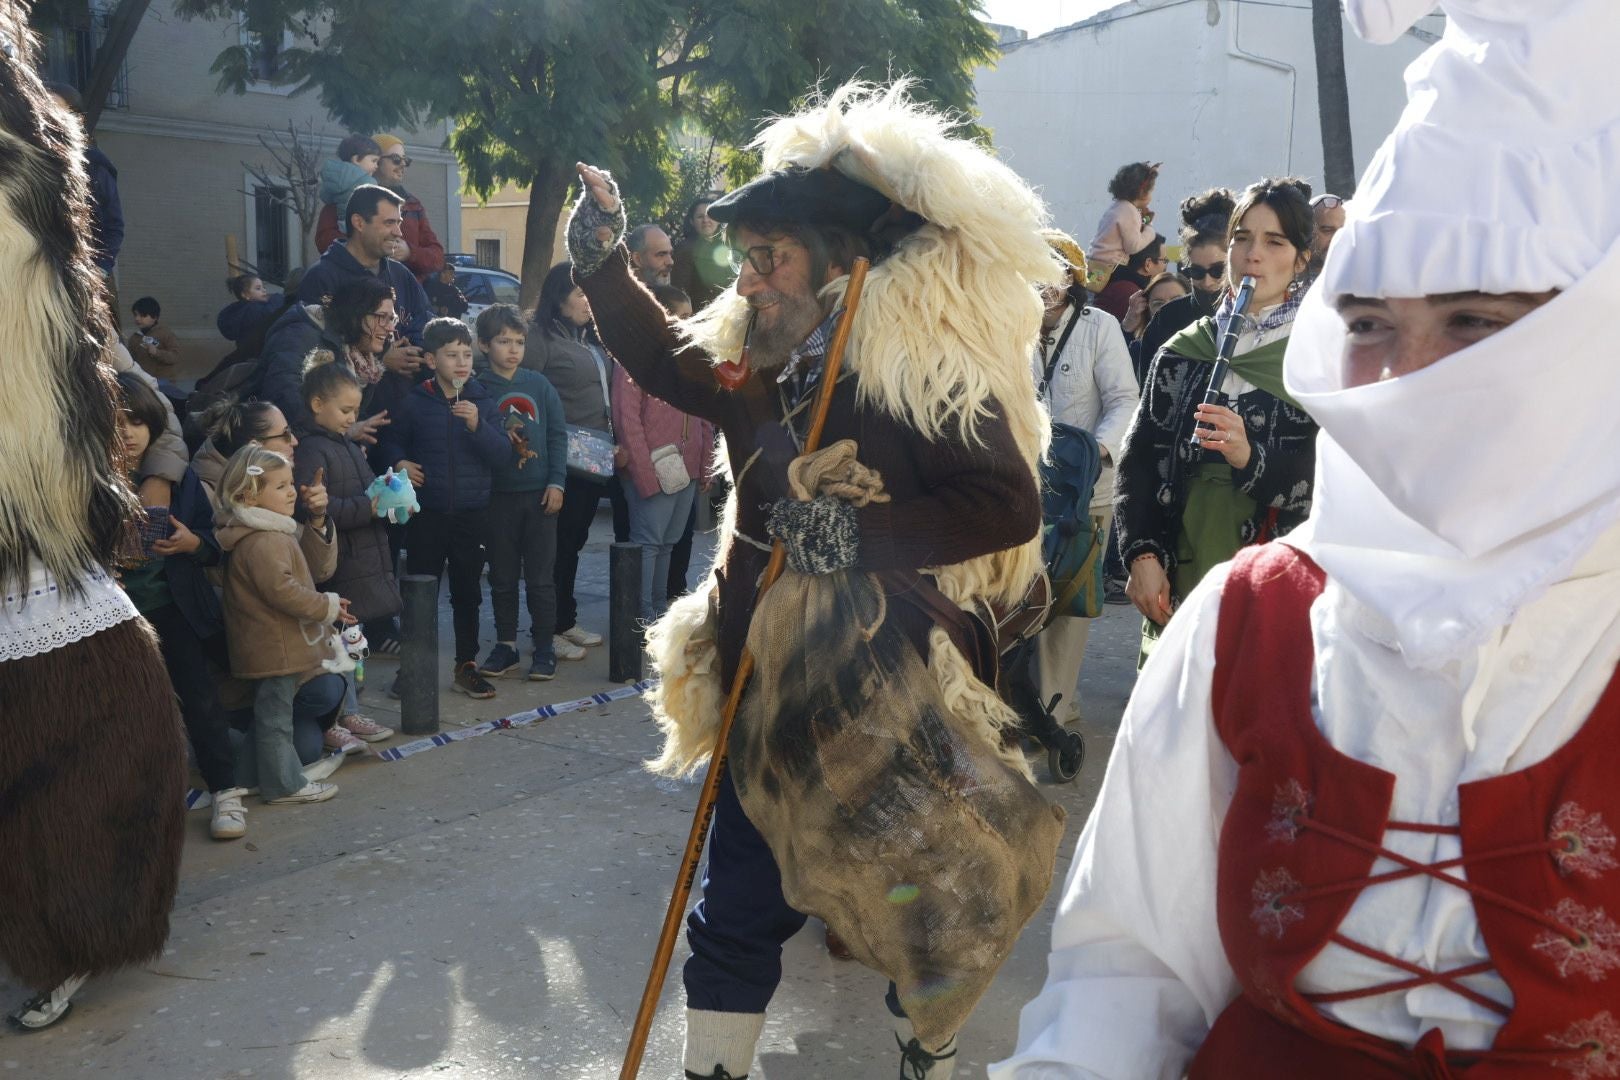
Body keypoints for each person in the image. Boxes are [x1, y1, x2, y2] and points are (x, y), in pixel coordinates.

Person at [994, 2, 1620, 1075]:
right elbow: (1127, 975)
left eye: (1474, 324)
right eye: (1370, 324)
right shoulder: (1251, 620)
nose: (1406, 384)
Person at [571, 78, 1054, 1078]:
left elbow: (1006, 504)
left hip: (896, 693)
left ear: (842, 264)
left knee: (920, 915)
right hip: (765, 684)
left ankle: (931, 1057)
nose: (747, 284)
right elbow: (664, 359)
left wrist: (856, 534)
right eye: (744, 262)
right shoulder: (752, 359)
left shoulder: (924, 374)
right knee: (737, 905)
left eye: (768, 261)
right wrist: (602, 259)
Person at [4, 53, 181, 1033]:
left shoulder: (65, 314)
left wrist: (137, 487)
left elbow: (143, 406)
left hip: (55, 584)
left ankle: (68, 947)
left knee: (77, 781)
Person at [1115, 177, 1320, 663]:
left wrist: (1252, 458)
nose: (1253, 255)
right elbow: (1141, 458)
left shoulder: (1323, 355)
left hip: (1280, 584)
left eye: (1275, 242)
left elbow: (1345, 479)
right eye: (1242, 238)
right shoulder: (1185, 349)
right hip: (1185, 569)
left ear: (1301, 259)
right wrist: (1141, 554)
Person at [114, 373, 247, 841]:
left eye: (137, 421)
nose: (128, 432)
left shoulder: (179, 478)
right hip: (117, 620)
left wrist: (194, 543)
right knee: (133, 713)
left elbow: (215, 545)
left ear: (153, 424)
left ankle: (225, 792)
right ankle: (144, 803)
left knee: (200, 700)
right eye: (117, 422)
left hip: (175, 607)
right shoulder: (91, 482)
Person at [1030, 231, 1139, 725]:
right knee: (1023, 595)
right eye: (1034, 273)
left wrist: (1098, 449)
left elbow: (1123, 399)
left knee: (1069, 601)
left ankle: (1051, 710)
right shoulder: (1010, 327)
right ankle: (1031, 699)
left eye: (1055, 275)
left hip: (1085, 490)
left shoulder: (1101, 327)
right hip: (1024, 489)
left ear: (1073, 280)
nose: (1044, 286)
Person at [377, 318, 509, 699]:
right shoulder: (414, 402)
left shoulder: (482, 400)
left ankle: (465, 665)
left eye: (467, 354)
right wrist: (399, 462)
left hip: (472, 514)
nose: (462, 362)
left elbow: (501, 454)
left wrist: (477, 426)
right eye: (452, 355)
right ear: (432, 361)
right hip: (427, 515)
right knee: (421, 592)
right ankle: (413, 670)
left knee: (468, 592)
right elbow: (390, 444)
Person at [214, 442, 347, 804]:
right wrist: (327, 606)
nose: (292, 492)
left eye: (291, 483)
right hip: (276, 648)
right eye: (281, 486)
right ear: (248, 495)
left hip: (271, 646)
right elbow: (283, 590)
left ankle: (251, 777)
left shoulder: (264, 534)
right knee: (275, 719)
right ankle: (284, 785)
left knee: (271, 715)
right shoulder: (265, 540)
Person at [292, 354, 398, 746]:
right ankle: (343, 715)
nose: (351, 417)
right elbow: (312, 507)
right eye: (345, 409)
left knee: (352, 639)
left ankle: (351, 707)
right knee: (338, 640)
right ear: (317, 404)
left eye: (355, 410)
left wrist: (388, 493)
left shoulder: (344, 444)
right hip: (336, 562)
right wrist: (365, 508)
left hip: (360, 556)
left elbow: (366, 488)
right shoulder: (311, 450)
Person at [522, 261, 617, 660]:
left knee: (574, 542)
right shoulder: (541, 337)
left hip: (594, 458)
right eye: (581, 294)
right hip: (559, 460)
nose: (588, 302)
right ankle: (548, 629)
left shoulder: (588, 338)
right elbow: (525, 396)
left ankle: (566, 619)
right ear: (559, 298)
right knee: (553, 547)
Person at [474, 303, 567, 680]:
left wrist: (556, 481)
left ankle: (544, 647)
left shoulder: (538, 385)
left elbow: (558, 435)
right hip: (498, 497)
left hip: (540, 496)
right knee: (502, 576)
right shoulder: (478, 387)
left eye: (519, 341)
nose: (512, 349)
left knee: (542, 579)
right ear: (483, 344)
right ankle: (506, 645)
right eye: (502, 341)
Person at [613, 283, 715, 624]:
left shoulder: (688, 358)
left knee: (668, 543)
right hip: (653, 468)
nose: (688, 323)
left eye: (690, 316)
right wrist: (644, 474)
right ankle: (642, 615)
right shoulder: (634, 359)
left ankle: (657, 612)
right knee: (648, 544)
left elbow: (703, 415)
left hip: (686, 469)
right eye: (680, 316)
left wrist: (705, 465)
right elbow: (627, 421)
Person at [259, 276, 408, 440]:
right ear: (355, 314)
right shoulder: (301, 336)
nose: (391, 328)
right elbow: (284, 397)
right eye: (382, 317)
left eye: (392, 318)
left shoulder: (362, 357)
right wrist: (343, 434)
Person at [295, 184, 435, 352]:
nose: (399, 232)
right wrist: (383, 359)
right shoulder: (321, 277)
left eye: (399, 223)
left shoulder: (401, 274)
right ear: (359, 223)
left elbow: (428, 324)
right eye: (389, 223)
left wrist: (416, 351)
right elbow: (316, 348)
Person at [1135, 187, 1239, 384]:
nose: (1207, 282)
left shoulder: (1254, 319)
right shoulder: (1166, 320)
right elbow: (1146, 394)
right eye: (1197, 272)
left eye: (1217, 270)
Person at [317, 135, 446, 281]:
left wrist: (409, 252)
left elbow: (437, 257)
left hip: (405, 296)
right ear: (376, 161)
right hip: (359, 291)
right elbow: (325, 242)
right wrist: (369, 249)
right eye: (396, 159)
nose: (402, 164)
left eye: (406, 160)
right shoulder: (344, 196)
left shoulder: (413, 205)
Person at [191, 398, 300, 507]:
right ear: (254, 447)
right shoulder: (204, 498)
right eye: (285, 434)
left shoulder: (257, 481)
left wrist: (316, 516)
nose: (295, 441)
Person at [1087, 161, 1160, 289]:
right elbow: (1133, 246)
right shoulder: (1129, 211)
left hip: (1095, 264)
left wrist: (1144, 222)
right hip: (1112, 267)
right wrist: (1150, 231)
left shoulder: (1116, 207)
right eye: (1152, 191)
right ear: (1143, 192)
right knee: (1145, 283)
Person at [1090, 232, 1166, 323]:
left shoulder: (1120, 284)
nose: (1166, 266)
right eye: (1165, 260)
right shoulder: (1132, 295)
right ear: (1148, 264)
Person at [670, 194, 730, 309]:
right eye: (700, 217)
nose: (706, 220)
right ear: (692, 221)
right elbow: (680, 288)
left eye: (710, 216)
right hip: (701, 313)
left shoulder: (727, 245)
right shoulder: (685, 249)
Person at [318, 134, 381, 240]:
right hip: (361, 224)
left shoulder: (333, 177)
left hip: (341, 223)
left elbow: (326, 197)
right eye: (374, 161)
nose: (376, 166)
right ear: (356, 159)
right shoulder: (368, 181)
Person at [217, 273, 283, 343]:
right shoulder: (253, 310)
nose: (264, 290)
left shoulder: (239, 311)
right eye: (258, 288)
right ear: (245, 294)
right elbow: (272, 310)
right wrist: (277, 297)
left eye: (264, 287)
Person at [126, 295, 181, 378]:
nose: (137, 319)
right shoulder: (135, 338)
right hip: (143, 381)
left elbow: (175, 357)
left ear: (155, 317)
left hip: (163, 382)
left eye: (142, 316)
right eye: (135, 315)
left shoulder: (165, 334)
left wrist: (157, 352)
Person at [1307, 191, 1347, 280]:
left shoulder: (1362, 284)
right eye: (1328, 231)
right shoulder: (1288, 288)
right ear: (1307, 234)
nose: (1337, 238)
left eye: (1342, 231)